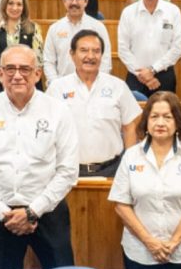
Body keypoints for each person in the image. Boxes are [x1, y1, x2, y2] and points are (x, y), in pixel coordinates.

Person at [0, 45, 80, 269]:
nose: (17, 75)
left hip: (48, 212)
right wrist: (2, 212)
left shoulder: (58, 111)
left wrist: (33, 211)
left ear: (37, 74)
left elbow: (67, 171)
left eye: (25, 69)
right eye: (10, 69)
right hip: (1, 216)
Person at [110, 91, 181, 269]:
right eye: (154, 117)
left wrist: (173, 243)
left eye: (167, 117)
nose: (160, 123)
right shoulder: (131, 156)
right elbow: (121, 205)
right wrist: (149, 242)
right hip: (141, 253)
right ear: (146, 122)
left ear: (178, 122)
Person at [47, 31, 140, 177]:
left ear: (101, 55)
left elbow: (129, 128)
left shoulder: (118, 86)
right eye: (83, 50)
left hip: (112, 170)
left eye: (96, 51)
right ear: (72, 54)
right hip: (67, 172)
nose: (90, 56)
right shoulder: (57, 88)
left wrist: (130, 165)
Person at [117, 0, 181, 95]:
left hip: (164, 76)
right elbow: (123, 49)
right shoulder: (128, 12)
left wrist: (152, 70)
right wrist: (142, 74)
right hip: (135, 76)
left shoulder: (173, 11)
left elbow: (177, 47)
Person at [43, 0, 112, 81]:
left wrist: (97, 84)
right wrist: (56, 84)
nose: (74, 2)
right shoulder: (54, 29)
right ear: (64, 1)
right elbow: (48, 61)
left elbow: (105, 60)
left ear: (86, 1)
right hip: (62, 87)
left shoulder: (98, 27)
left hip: (92, 85)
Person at [0, 0, 42, 88]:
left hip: (27, 84)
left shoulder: (33, 28)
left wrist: (22, 77)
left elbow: (38, 60)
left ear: (24, 7)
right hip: (0, 84)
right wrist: (3, 77)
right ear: (4, 4)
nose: (15, 8)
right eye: (10, 3)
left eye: (19, 4)